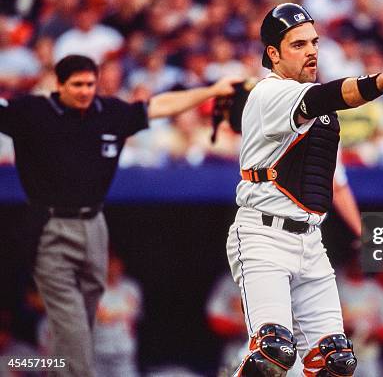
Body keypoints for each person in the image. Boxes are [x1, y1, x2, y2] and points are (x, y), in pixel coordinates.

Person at [0, 54, 238, 377]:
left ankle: (47, 367)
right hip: (50, 222)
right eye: (77, 85)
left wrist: (209, 92)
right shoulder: (35, 111)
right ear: (59, 85)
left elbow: (160, 106)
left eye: (89, 84)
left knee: (85, 316)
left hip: (94, 222)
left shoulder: (107, 112)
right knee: (70, 322)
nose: (85, 91)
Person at [225, 3, 383, 376]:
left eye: (314, 42)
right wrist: (382, 80)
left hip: (310, 242)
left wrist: (362, 231)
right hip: (263, 235)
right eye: (298, 45)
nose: (312, 51)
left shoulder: (320, 116)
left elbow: (335, 181)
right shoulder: (271, 93)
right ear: (273, 54)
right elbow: (330, 96)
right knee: (273, 354)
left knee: (336, 361)